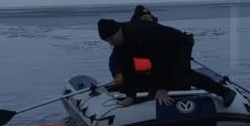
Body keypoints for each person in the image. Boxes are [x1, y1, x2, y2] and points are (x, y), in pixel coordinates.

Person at [97, 17, 237, 108]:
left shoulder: (139, 31)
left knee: (181, 74)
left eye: (111, 39)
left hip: (178, 44)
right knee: (135, 69)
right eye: (107, 41)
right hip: (157, 52)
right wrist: (130, 95)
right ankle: (151, 92)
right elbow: (126, 69)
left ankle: (224, 92)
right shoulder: (121, 45)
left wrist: (162, 89)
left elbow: (159, 58)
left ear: (118, 31)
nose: (111, 44)